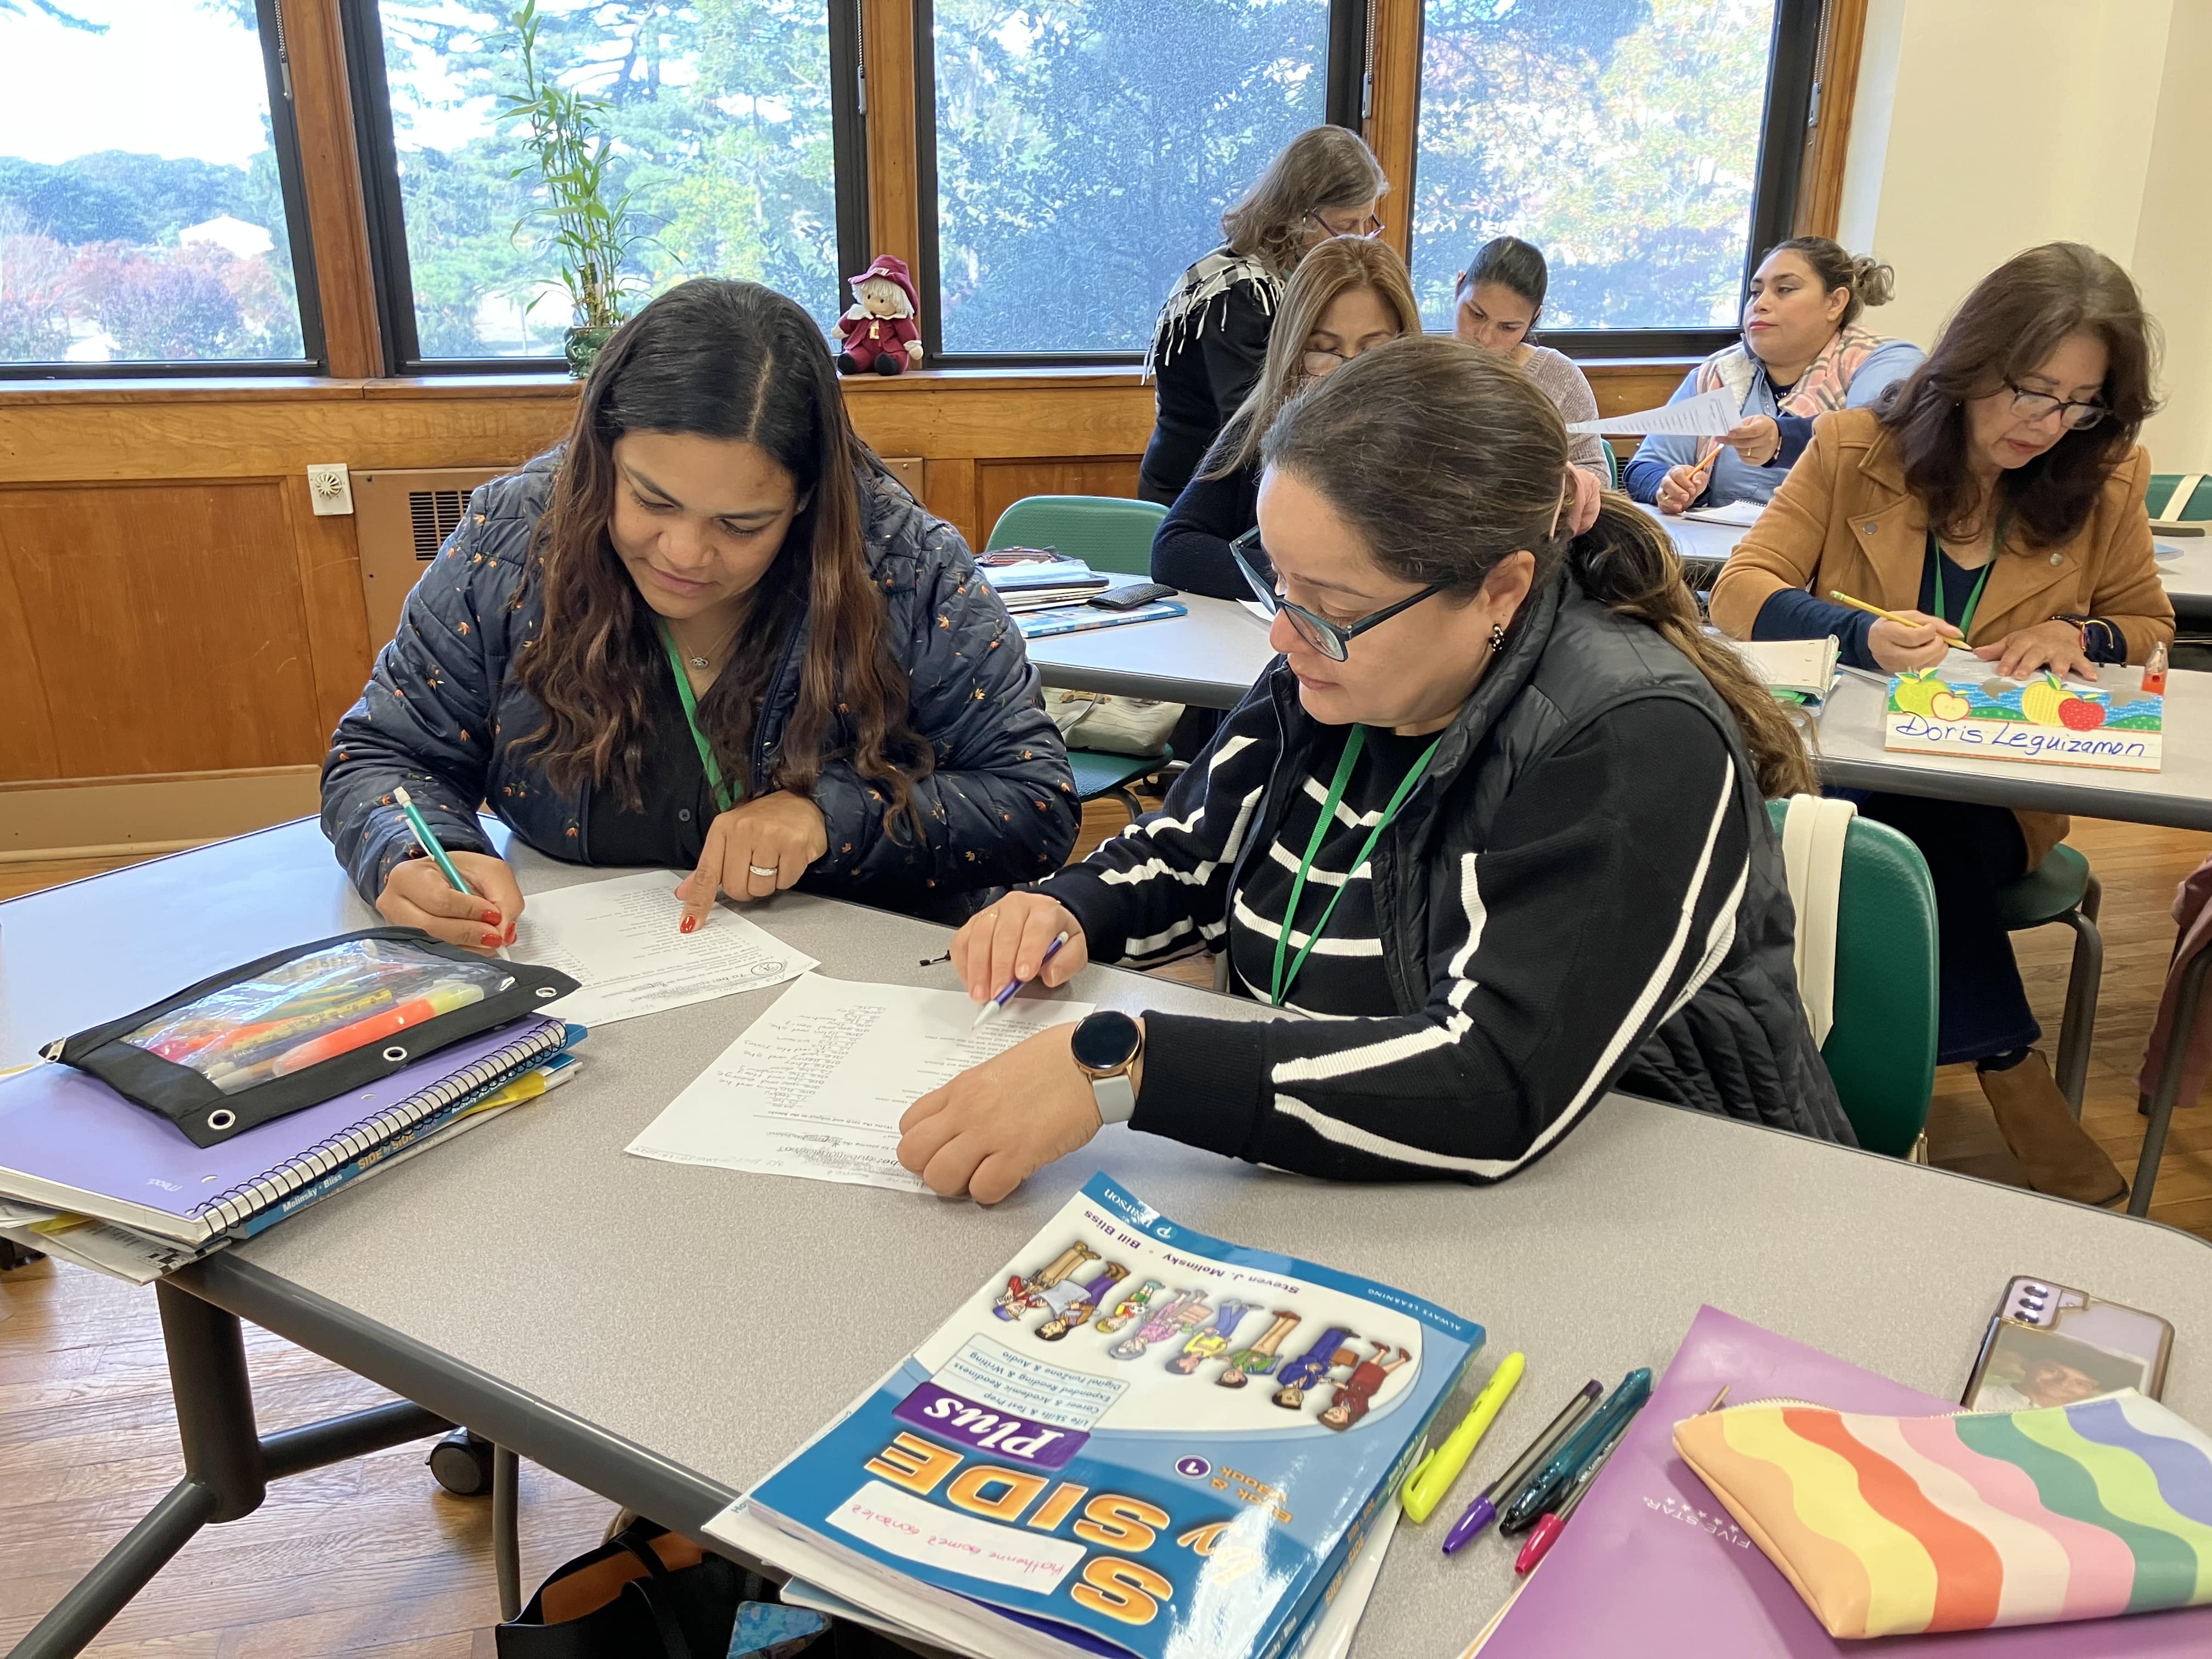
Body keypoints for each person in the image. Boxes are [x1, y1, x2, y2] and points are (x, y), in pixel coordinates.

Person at [895, 336, 1853, 1207]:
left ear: (1501, 588)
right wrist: (1068, 907)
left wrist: (1128, 1065)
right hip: (1371, 1184)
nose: (1282, 630)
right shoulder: (1338, 661)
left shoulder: (1628, 737)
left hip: (1656, 1199)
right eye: (1278, 580)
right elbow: (1190, 851)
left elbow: (1492, 1079)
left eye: (1328, 599)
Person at [323, 279, 1081, 946]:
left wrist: (829, 817)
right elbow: (385, 757)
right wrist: (416, 850)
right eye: (652, 500)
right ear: (602, 455)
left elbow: (1034, 801)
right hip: (590, 988)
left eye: (742, 525)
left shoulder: (907, 565)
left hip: (867, 993)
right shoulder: (513, 541)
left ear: (810, 499)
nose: (684, 554)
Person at [1710, 242, 2172, 1207]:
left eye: (2079, 403)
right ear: (1972, 362)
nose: (2045, 424)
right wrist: (1863, 631)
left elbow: (2147, 624)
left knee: (1913, 828)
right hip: (1847, 777)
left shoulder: (2106, 476)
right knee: (1880, 823)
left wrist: (2075, 628)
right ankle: (2010, 1071)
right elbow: (1740, 593)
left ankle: (1853, 1111)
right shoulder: (1851, 447)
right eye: (2029, 390)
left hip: (1995, 803)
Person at [1152, 236, 1422, 600]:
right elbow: (1175, 551)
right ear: (1293, 352)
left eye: (1374, 351)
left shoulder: (1431, 446)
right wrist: (1297, 580)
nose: (1349, 375)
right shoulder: (1261, 425)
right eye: (1325, 350)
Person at [1137, 125, 1389, 506]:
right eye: (1343, 226)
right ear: (1297, 215)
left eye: (1366, 224)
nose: (1356, 240)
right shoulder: (1239, 290)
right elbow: (1252, 424)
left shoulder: (1296, 277)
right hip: (1197, 496)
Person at [1624, 237, 1922, 515]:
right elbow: (1644, 467)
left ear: (1835, 303)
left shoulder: (1885, 360)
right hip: (1717, 561)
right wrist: (1669, 485)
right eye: (1756, 292)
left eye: (1785, 289)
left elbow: (1875, 436)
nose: (1760, 304)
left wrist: (1782, 439)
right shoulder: (1719, 372)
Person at [1454, 235, 1610, 531]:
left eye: (1509, 327)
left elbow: (1597, 475)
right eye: (1475, 314)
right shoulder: (1421, 367)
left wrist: (1567, 485)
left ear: (1534, 318)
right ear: (1459, 287)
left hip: (1531, 538)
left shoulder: (1559, 377)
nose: (1485, 338)